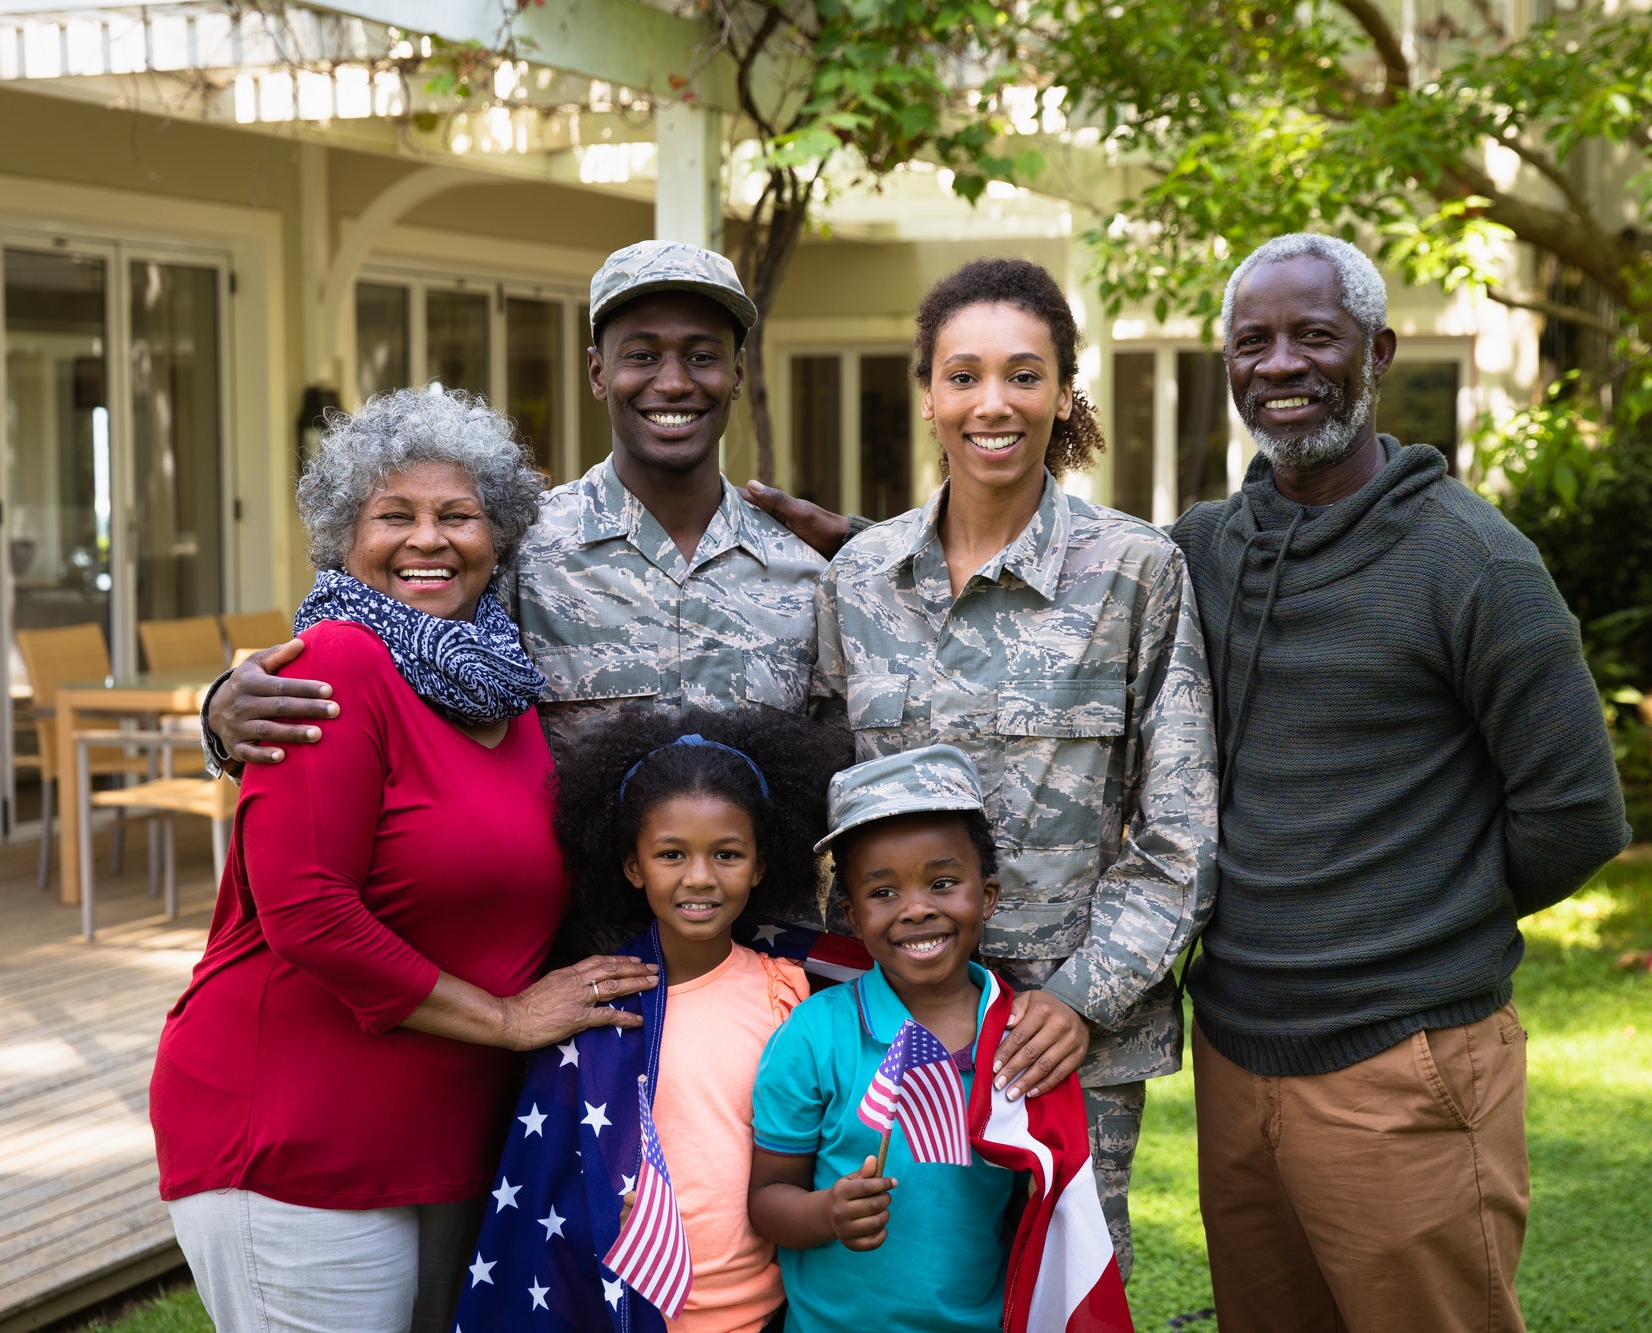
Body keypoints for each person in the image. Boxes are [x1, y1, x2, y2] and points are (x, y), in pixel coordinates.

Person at [1170, 232, 1630, 1332]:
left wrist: (1414, 916)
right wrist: (869, 552)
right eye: (1252, 341)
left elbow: (1573, 815)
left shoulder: (1473, 563)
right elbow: (1058, 617)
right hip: (1232, 1052)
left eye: (1312, 336)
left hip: (1402, 1061)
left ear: (1375, 353)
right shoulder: (1200, 548)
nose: (1279, 363)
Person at [150, 389, 661, 1333]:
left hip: (446, 1141)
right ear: (347, 537)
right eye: (395, 515)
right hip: (299, 1134)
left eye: (457, 515)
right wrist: (508, 1017)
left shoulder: (502, 686)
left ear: (496, 538)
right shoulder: (336, 664)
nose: (428, 539)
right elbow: (308, 911)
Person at [808, 257, 1218, 1276]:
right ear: (927, 395)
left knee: (1054, 1298)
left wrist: (1080, 997)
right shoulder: (859, 579)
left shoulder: (1135, 571)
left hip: (1062, 1040)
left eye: (1023, 374)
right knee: (901, 1294)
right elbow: (820, 800)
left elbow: (1179, 825)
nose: (992, 403)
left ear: (1064, 393)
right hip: (886, 1041)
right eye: (962, 375)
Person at [201, 240, 827, 770]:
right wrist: (222, 712)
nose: (672, 382)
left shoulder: (807, 570)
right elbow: (371, 659)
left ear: (738, 374)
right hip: (571, 918)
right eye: (640, 355)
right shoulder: (512, 548)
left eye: (702, 356)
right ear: (597, 373)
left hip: (766, 918)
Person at [453, 707, 850, 1333]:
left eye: (726, 853)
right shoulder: (593, 1007)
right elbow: (553, 1179)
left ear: (761, 865)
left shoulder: (789, 992)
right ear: (633, 867)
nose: (700, 877)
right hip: (631, 1309)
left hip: (772, 1311)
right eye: (671, 854)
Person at [749, 745, 1130, 1333]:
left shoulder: (1020, 1040)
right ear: (852, 917)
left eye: (944, 882)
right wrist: (827, 1213)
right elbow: (768, 1198)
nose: (916, 909)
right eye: (883, 893)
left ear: (989, 896)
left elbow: (1036, 1218)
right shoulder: (814, 1033)